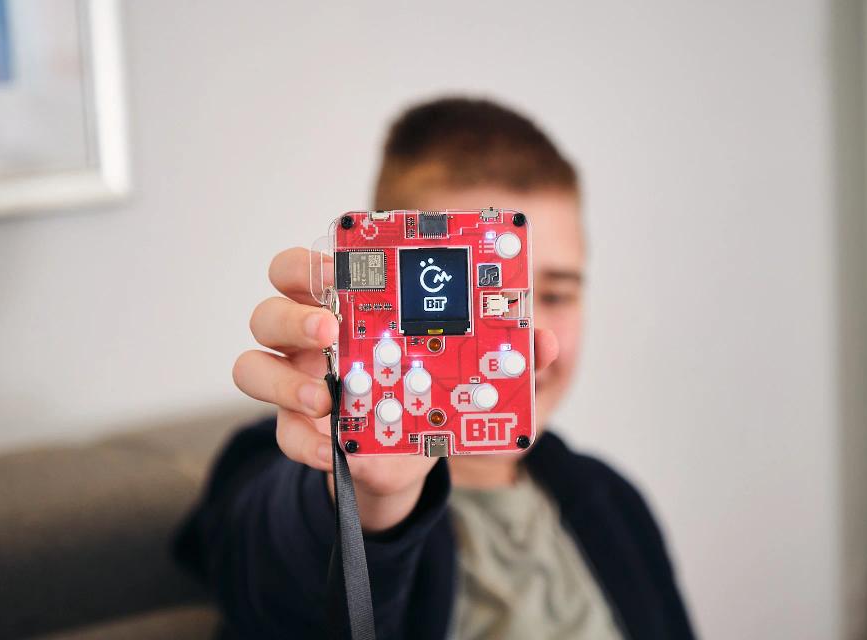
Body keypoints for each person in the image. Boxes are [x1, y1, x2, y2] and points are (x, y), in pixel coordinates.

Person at [175, 97, 695, 639]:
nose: (520, 334)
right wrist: (371, 499)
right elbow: (275, 591)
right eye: (482, 287)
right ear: (392, 286)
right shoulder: (289, 465)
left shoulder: (613, 501)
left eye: (557, 293)